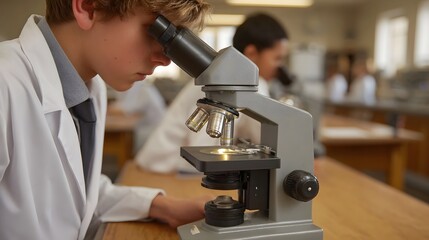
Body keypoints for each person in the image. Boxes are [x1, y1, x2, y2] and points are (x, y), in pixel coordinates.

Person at [0, 0, 212, 239]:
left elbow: (73, 195)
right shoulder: (5, 83)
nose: (165, 59)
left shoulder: (91, 87)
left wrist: (161, 206)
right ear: (88, 8)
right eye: (156, 31)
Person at [135, 13, 289, 173]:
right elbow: (202, 151)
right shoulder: (226, 81)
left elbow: (260, 137)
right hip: (162, 171)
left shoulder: (231, 78)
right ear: (252, 53)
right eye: (277, 58)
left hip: (168, 169)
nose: (280, 67)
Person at [108, 79, 167, 153]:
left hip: (151, 132)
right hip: (149, 128)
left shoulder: (144, 91)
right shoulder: (142, 88)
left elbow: (125, 110)